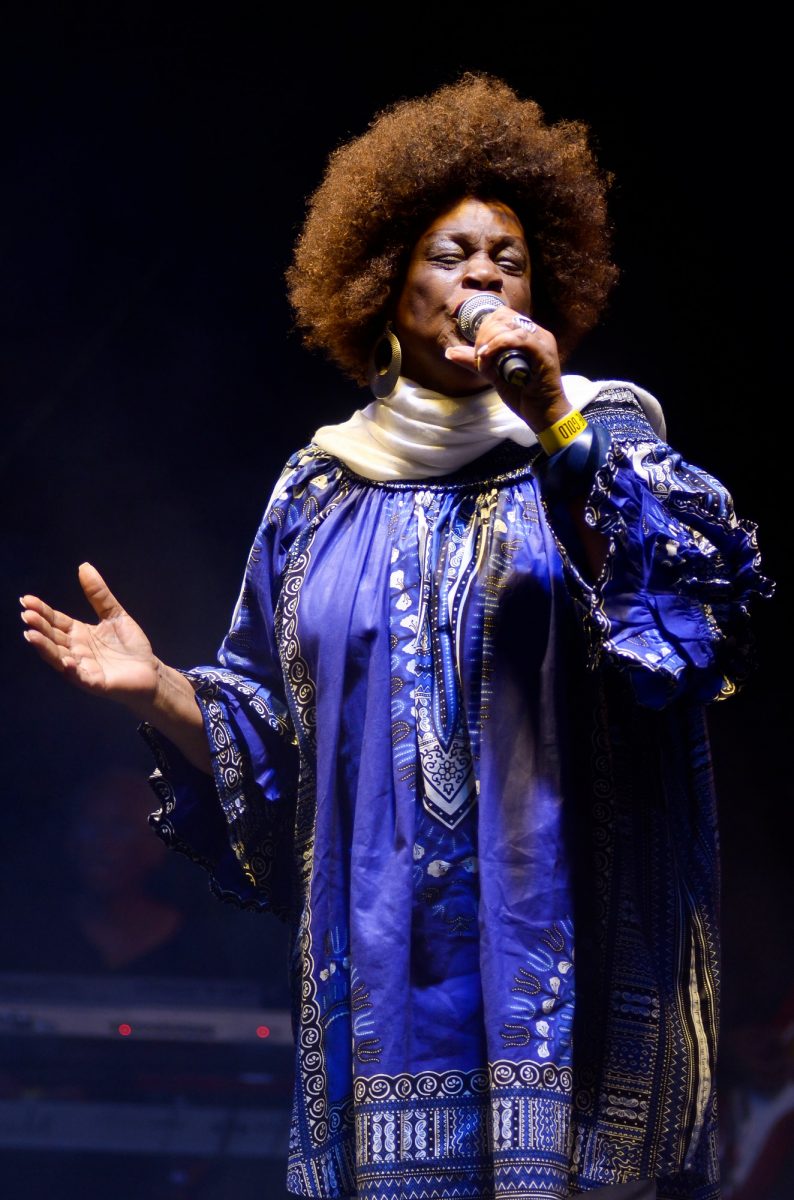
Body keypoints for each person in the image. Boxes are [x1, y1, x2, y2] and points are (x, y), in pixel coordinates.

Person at [20, 75, 771, 1200]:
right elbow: (275, 749)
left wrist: (553, 417)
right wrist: (158, 689)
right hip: (382, 993)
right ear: (383, 284)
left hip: (561, 965)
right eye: (451, 254)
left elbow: (698, 599)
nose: (483, 277)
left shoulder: (597, 429)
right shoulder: (318, 490)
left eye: (509, 260)